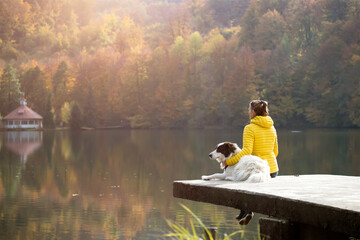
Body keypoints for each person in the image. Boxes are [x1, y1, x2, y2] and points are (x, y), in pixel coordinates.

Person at [222, 100, 279, 225]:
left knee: (241, 181)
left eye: (249, 110)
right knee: (248, 183)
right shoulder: (272, 127)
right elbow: (275, 152)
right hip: (273, 170)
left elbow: (247, 151)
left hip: (257, 168)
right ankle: (246, 211)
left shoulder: (249, 128)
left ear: (253, 112)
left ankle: (248, 211)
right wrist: (268, 163)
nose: (248, 112)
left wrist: (229, 162)